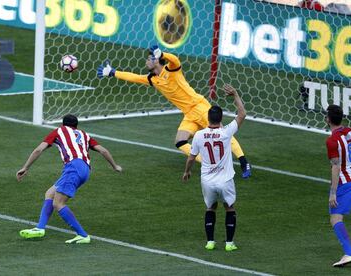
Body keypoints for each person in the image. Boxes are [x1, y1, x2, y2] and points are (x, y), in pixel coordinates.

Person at [97, 45, 251, 178]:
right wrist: (112, 72)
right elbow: (134, 77)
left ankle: (244, 163)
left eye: (148, 59)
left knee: (223, 133)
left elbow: (175, 60)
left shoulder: (171, 70)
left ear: (156, 60)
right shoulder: (152, 78)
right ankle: (209, 163)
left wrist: (162, 54)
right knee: (180, 141)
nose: (145, 61)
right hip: (189, 114)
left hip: (199, 106)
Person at [17, 114, 122, 244]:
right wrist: (115, 166)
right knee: (50, 193)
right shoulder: (84, 135)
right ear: (76, 125)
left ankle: (82, 235)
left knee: (58, 203)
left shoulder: (59, 131)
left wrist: (25, 167)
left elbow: (38, 150)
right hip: (85, 169)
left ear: (63, 124)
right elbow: (103, 151)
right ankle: (40, 228)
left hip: (73, 167)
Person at [182, 84, 246, 251]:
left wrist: (187, 171)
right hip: (225, 179)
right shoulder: (226, 133)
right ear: (221, 118)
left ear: (208, 118)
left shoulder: (198, 135)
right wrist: (235, 94)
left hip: (207, 180)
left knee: (211, 207)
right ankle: (229, 244)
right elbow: (242, 114)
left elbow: (191, 157)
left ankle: (210, 241)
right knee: (229, 208)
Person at [325, 105, 351, 267]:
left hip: (344, 182)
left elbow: (335, 166)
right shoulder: (349, 132)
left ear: (328, 119)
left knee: (335, 218)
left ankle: (349, 252)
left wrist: (333, 193)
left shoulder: (332, 141)